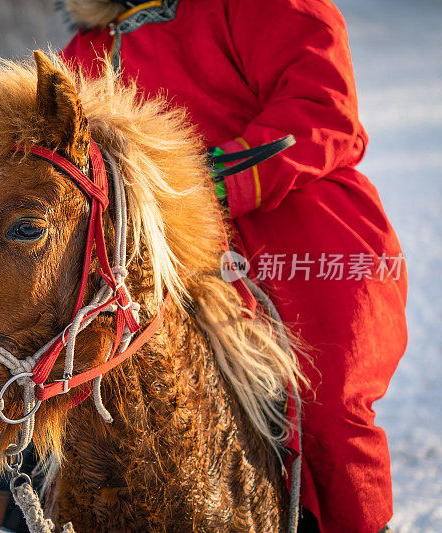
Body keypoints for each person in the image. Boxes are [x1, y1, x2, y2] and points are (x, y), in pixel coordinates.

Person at [58, 0, 407, 532]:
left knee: (328, 405)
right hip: (161, 254)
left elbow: (321, 111)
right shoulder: (86, 49)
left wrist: (214, 182)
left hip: (302, 233)